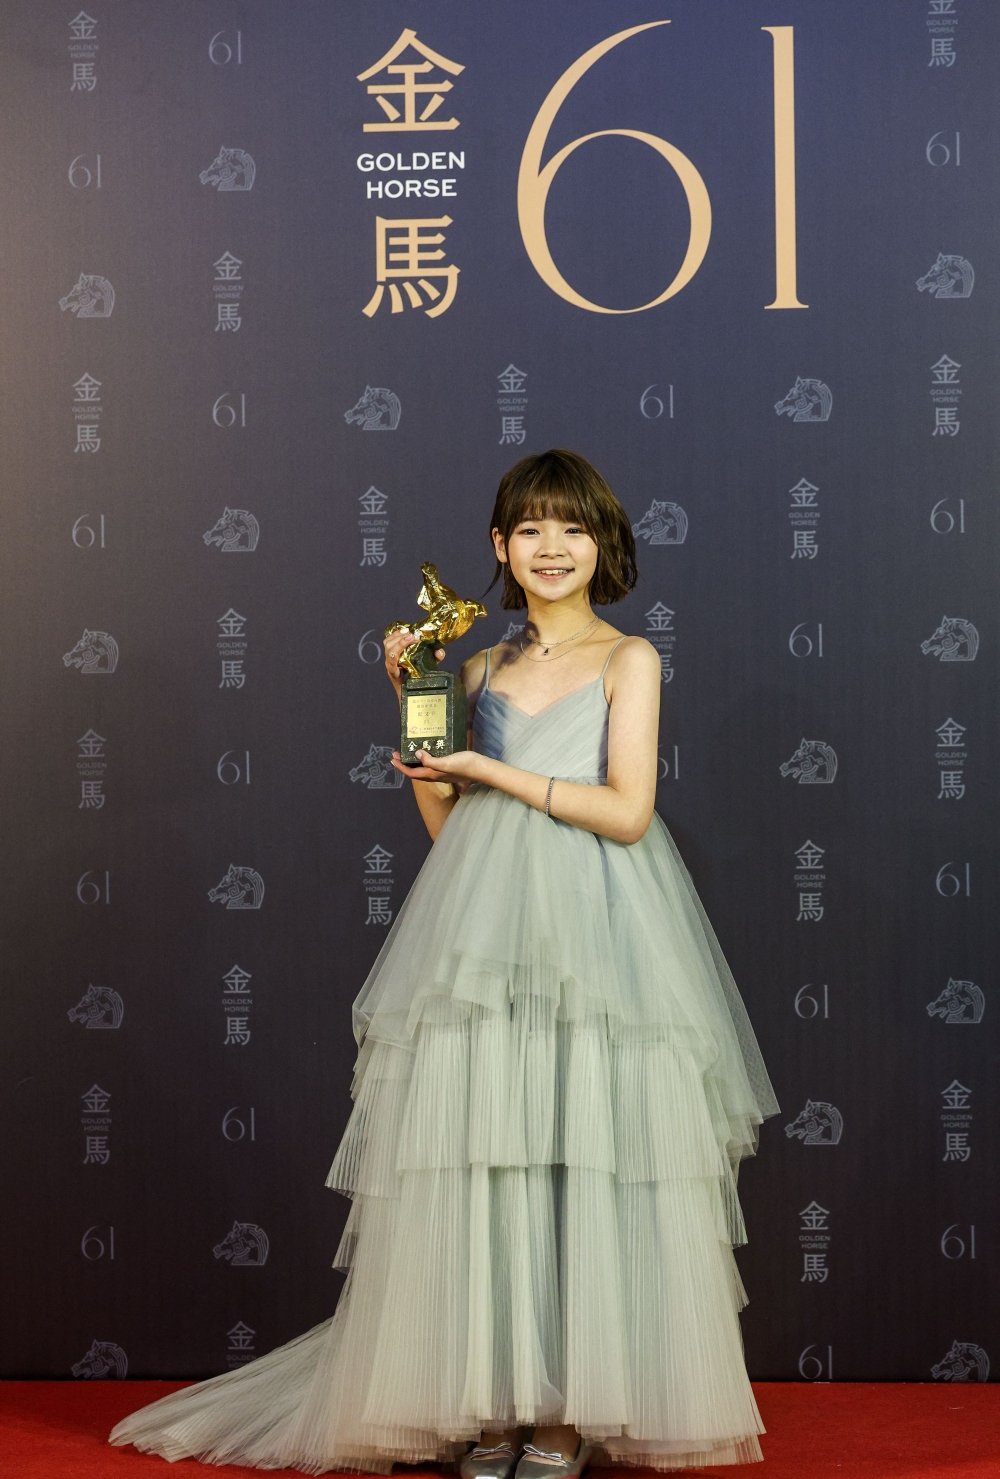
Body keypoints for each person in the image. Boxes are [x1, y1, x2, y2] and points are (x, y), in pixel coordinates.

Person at [110, 449, 778, 1475]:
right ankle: (497, 1404)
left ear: (602, 544)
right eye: (530, 530)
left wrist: (487, 767)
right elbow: (448, 825)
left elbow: (628, 813)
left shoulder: (627, 659)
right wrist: (414, 705)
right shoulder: (474, 666)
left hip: (605, 936)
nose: (551, 548)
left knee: (580, 1154)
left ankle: (566, 1415)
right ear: (498, 548)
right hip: (481, 935)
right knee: (490, 1154)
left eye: (572, 528)